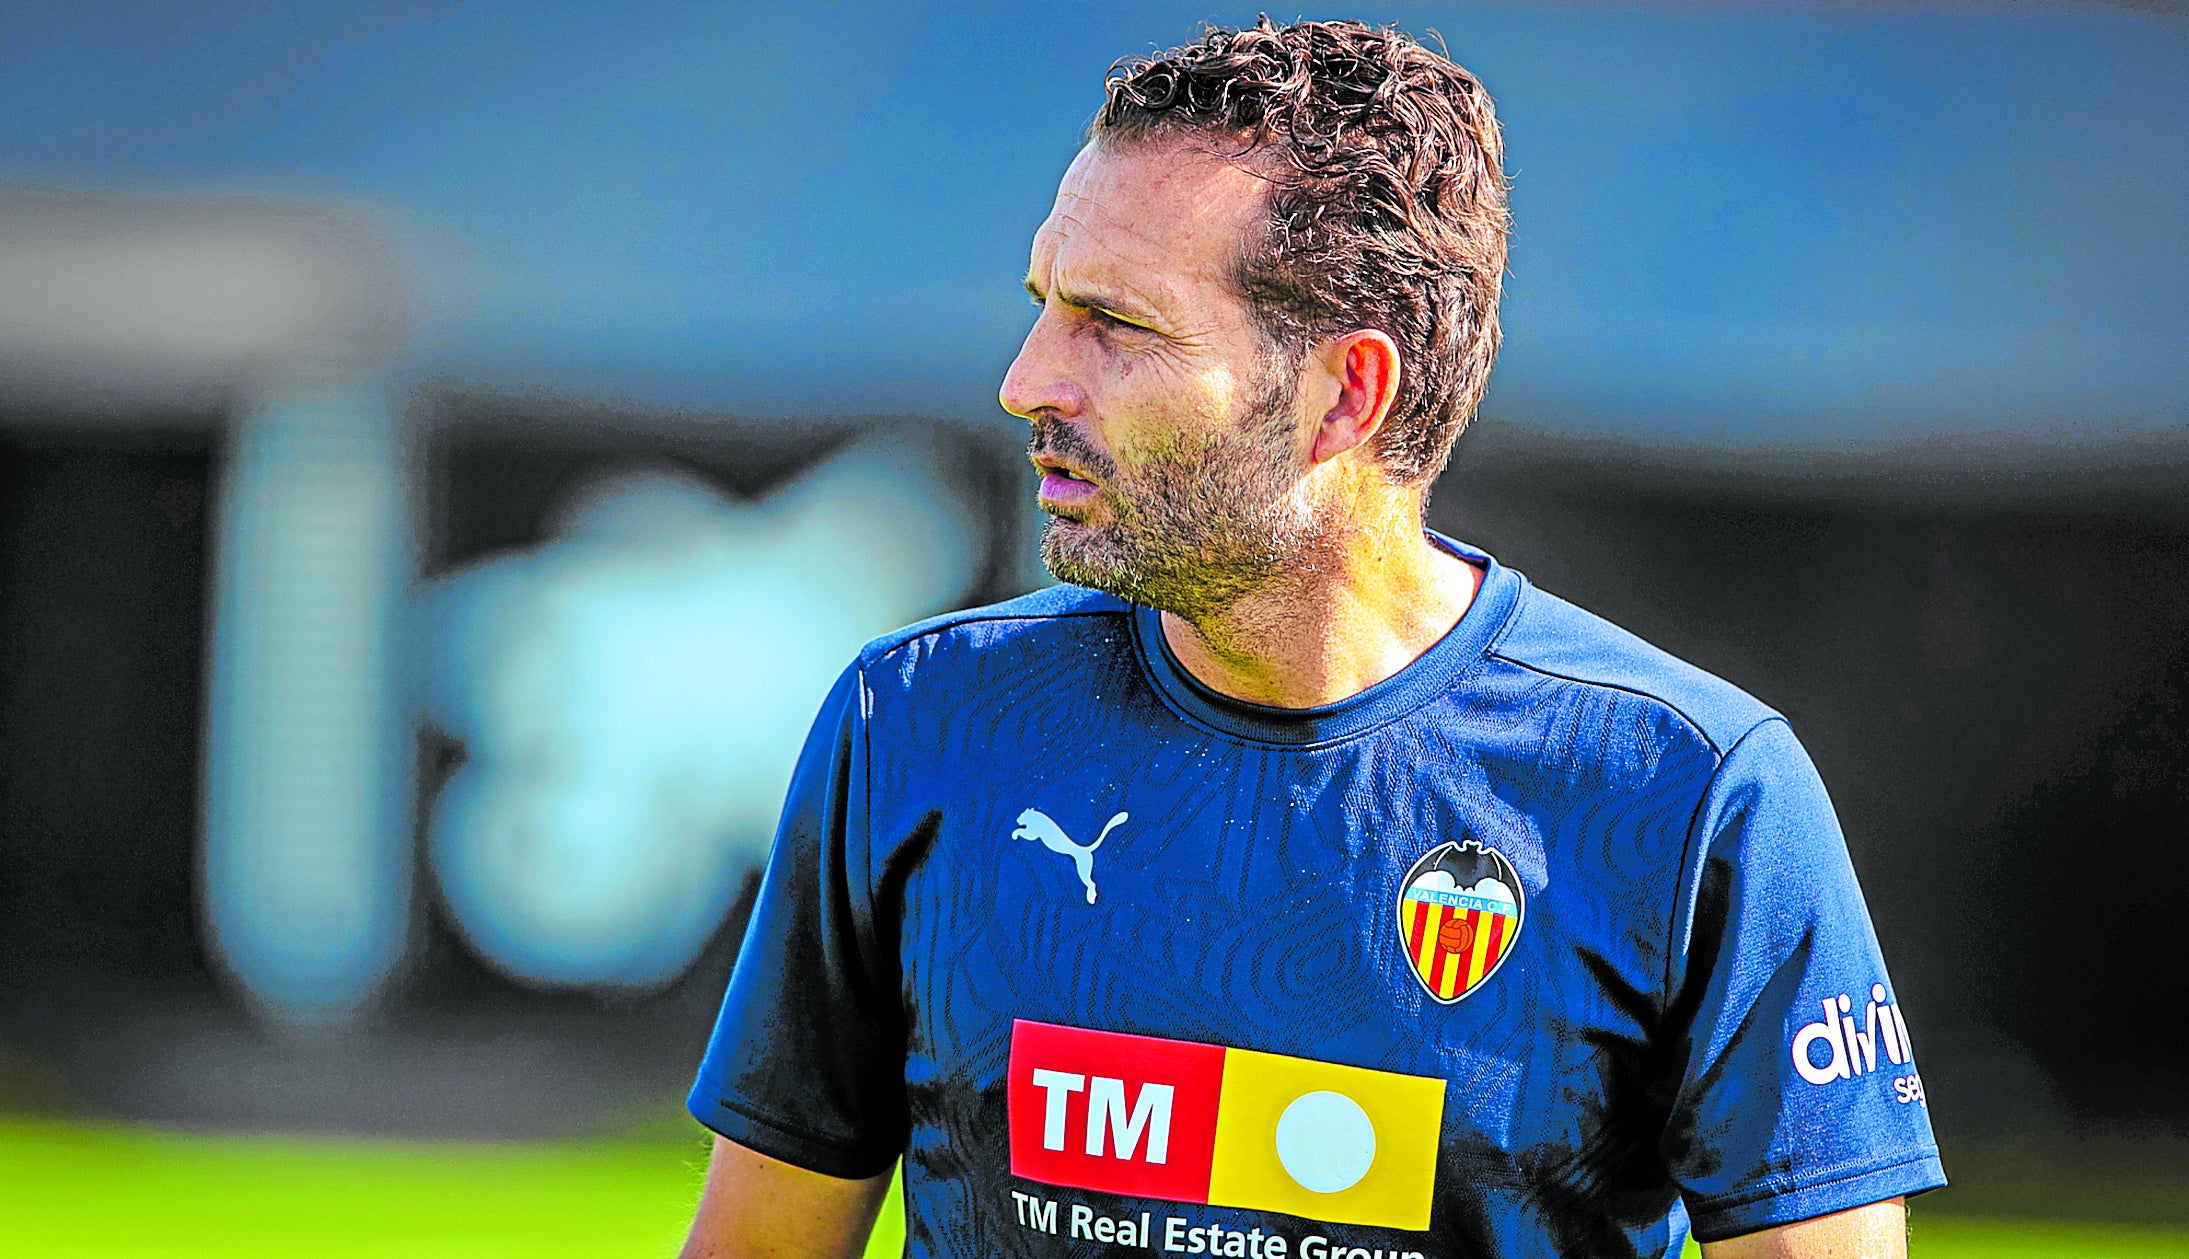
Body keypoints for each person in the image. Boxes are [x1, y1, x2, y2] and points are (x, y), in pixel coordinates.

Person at [680, 17, 1943, 1259]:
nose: (1026, 381)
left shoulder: (1686, 790)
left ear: (1345, 392)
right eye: (1043, 304)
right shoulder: (919, 719)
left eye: (1113, 325)